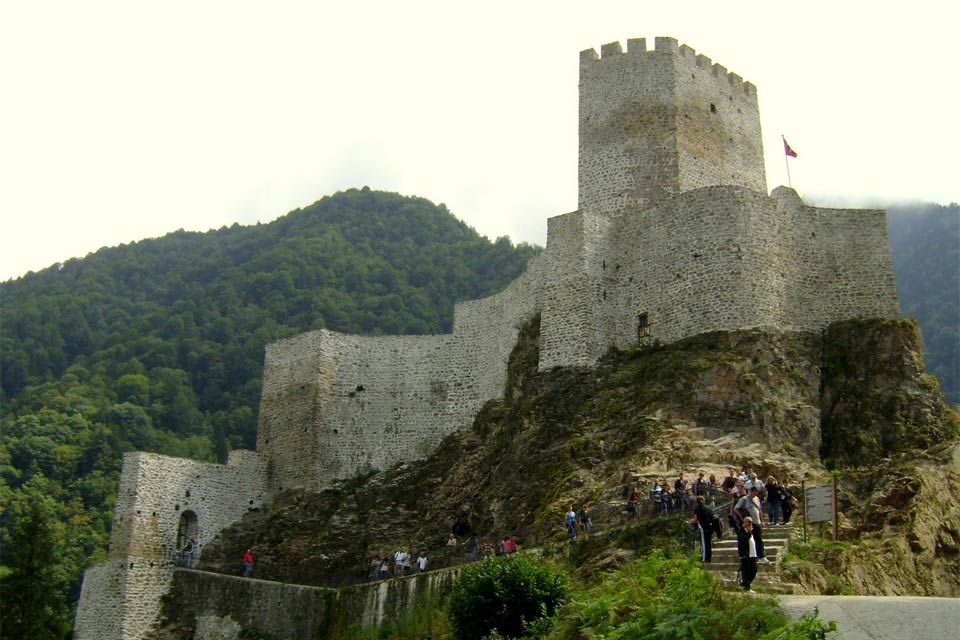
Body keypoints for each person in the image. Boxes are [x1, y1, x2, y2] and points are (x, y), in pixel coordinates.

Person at [735, 486, 768, 562]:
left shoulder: (756, 499)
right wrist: (743, 519)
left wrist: (762, 520)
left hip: (757, 522)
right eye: (755, 492)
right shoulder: (744, 499)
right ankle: (752, 556)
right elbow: (736, 509)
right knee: (750, 540)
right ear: (751, 491)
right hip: (749, 523)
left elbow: (759, 510)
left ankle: (761, 556)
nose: (755, 494)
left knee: (759, 540)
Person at [737, 517, 760, 592]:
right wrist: (749, 532)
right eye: (749, 522)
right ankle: (747, 587)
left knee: (754, 570)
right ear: (745, 522)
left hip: (752, 554)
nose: (750, 524)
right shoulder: (741, 531)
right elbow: (744, 539)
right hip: (745, 555)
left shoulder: (752, 531)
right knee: (745, 571)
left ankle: (745, 583)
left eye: (751, 522)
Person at [688, 495, 714, 563]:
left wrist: (689, 522)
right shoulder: (708, 508)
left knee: (704, 543)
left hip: (703, 528)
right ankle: (709, 557)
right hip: (709, 527)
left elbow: (695, 519)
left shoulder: (698, 509)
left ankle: (704, 558)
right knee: (708, 543)